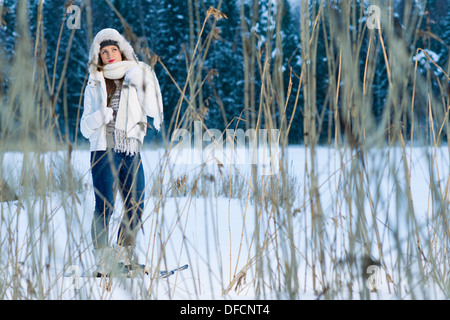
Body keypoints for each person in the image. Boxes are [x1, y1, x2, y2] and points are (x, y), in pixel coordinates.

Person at [80, 28, 163, 276]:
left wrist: (140, 83)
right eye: (104, 51)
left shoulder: (137, 73)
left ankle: (124, 258)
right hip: (104, 151)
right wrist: (98, 117)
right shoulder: (94, 83)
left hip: (131, 151)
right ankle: (104, 262)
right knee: (104, 206)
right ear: (99, 56)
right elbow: (85, 127)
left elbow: (152, 109)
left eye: (113, 49)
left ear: (122, 50)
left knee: (135, 204)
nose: (109, 55)